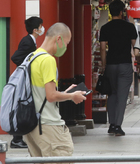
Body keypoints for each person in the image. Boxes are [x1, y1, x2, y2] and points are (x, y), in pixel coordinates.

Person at [23, 22, 87, 158]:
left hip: (33, 125)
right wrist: (72, 96)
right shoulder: (48, 60)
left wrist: (64, 93)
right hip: (48, 124)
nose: (65, 47)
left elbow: (42, 94)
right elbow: (51, 96)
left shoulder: (32, 57)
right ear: (59, 39)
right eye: (67, 43)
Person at [99, 0, 138, 137]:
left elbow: (103, 48)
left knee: (112, 94)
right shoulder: (129, 27)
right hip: (125, 64)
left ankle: (111, 124)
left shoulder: (105, 28)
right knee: (122, 96)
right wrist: (137, 57)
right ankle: (117, 126)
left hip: (110, 65)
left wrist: (104, 65)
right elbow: (135, 46)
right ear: (122, 12)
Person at [9, 16, 44, 149]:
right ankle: (17, 138)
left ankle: (20, 137)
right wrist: (27, 67)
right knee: (22, 104)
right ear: (35, 29)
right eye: (41, 26)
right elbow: (15, 57)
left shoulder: (31, 40)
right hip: (24, 78)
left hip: (26, 78)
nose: (42, 29)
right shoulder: (27, 41)